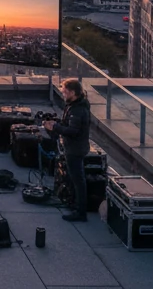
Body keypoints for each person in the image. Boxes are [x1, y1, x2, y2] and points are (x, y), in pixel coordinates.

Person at [44, 78, 92, 222]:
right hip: (74, 147)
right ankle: (74, 204)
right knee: (74, 178)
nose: (63, 94)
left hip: (75, 149)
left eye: (65, 92)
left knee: (78, 181)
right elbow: (69, 124)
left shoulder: (77, 109)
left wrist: (55, 127)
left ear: (72, 92)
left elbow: (73, 131)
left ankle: (80, 212)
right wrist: (57, 123)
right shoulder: (75, 106)